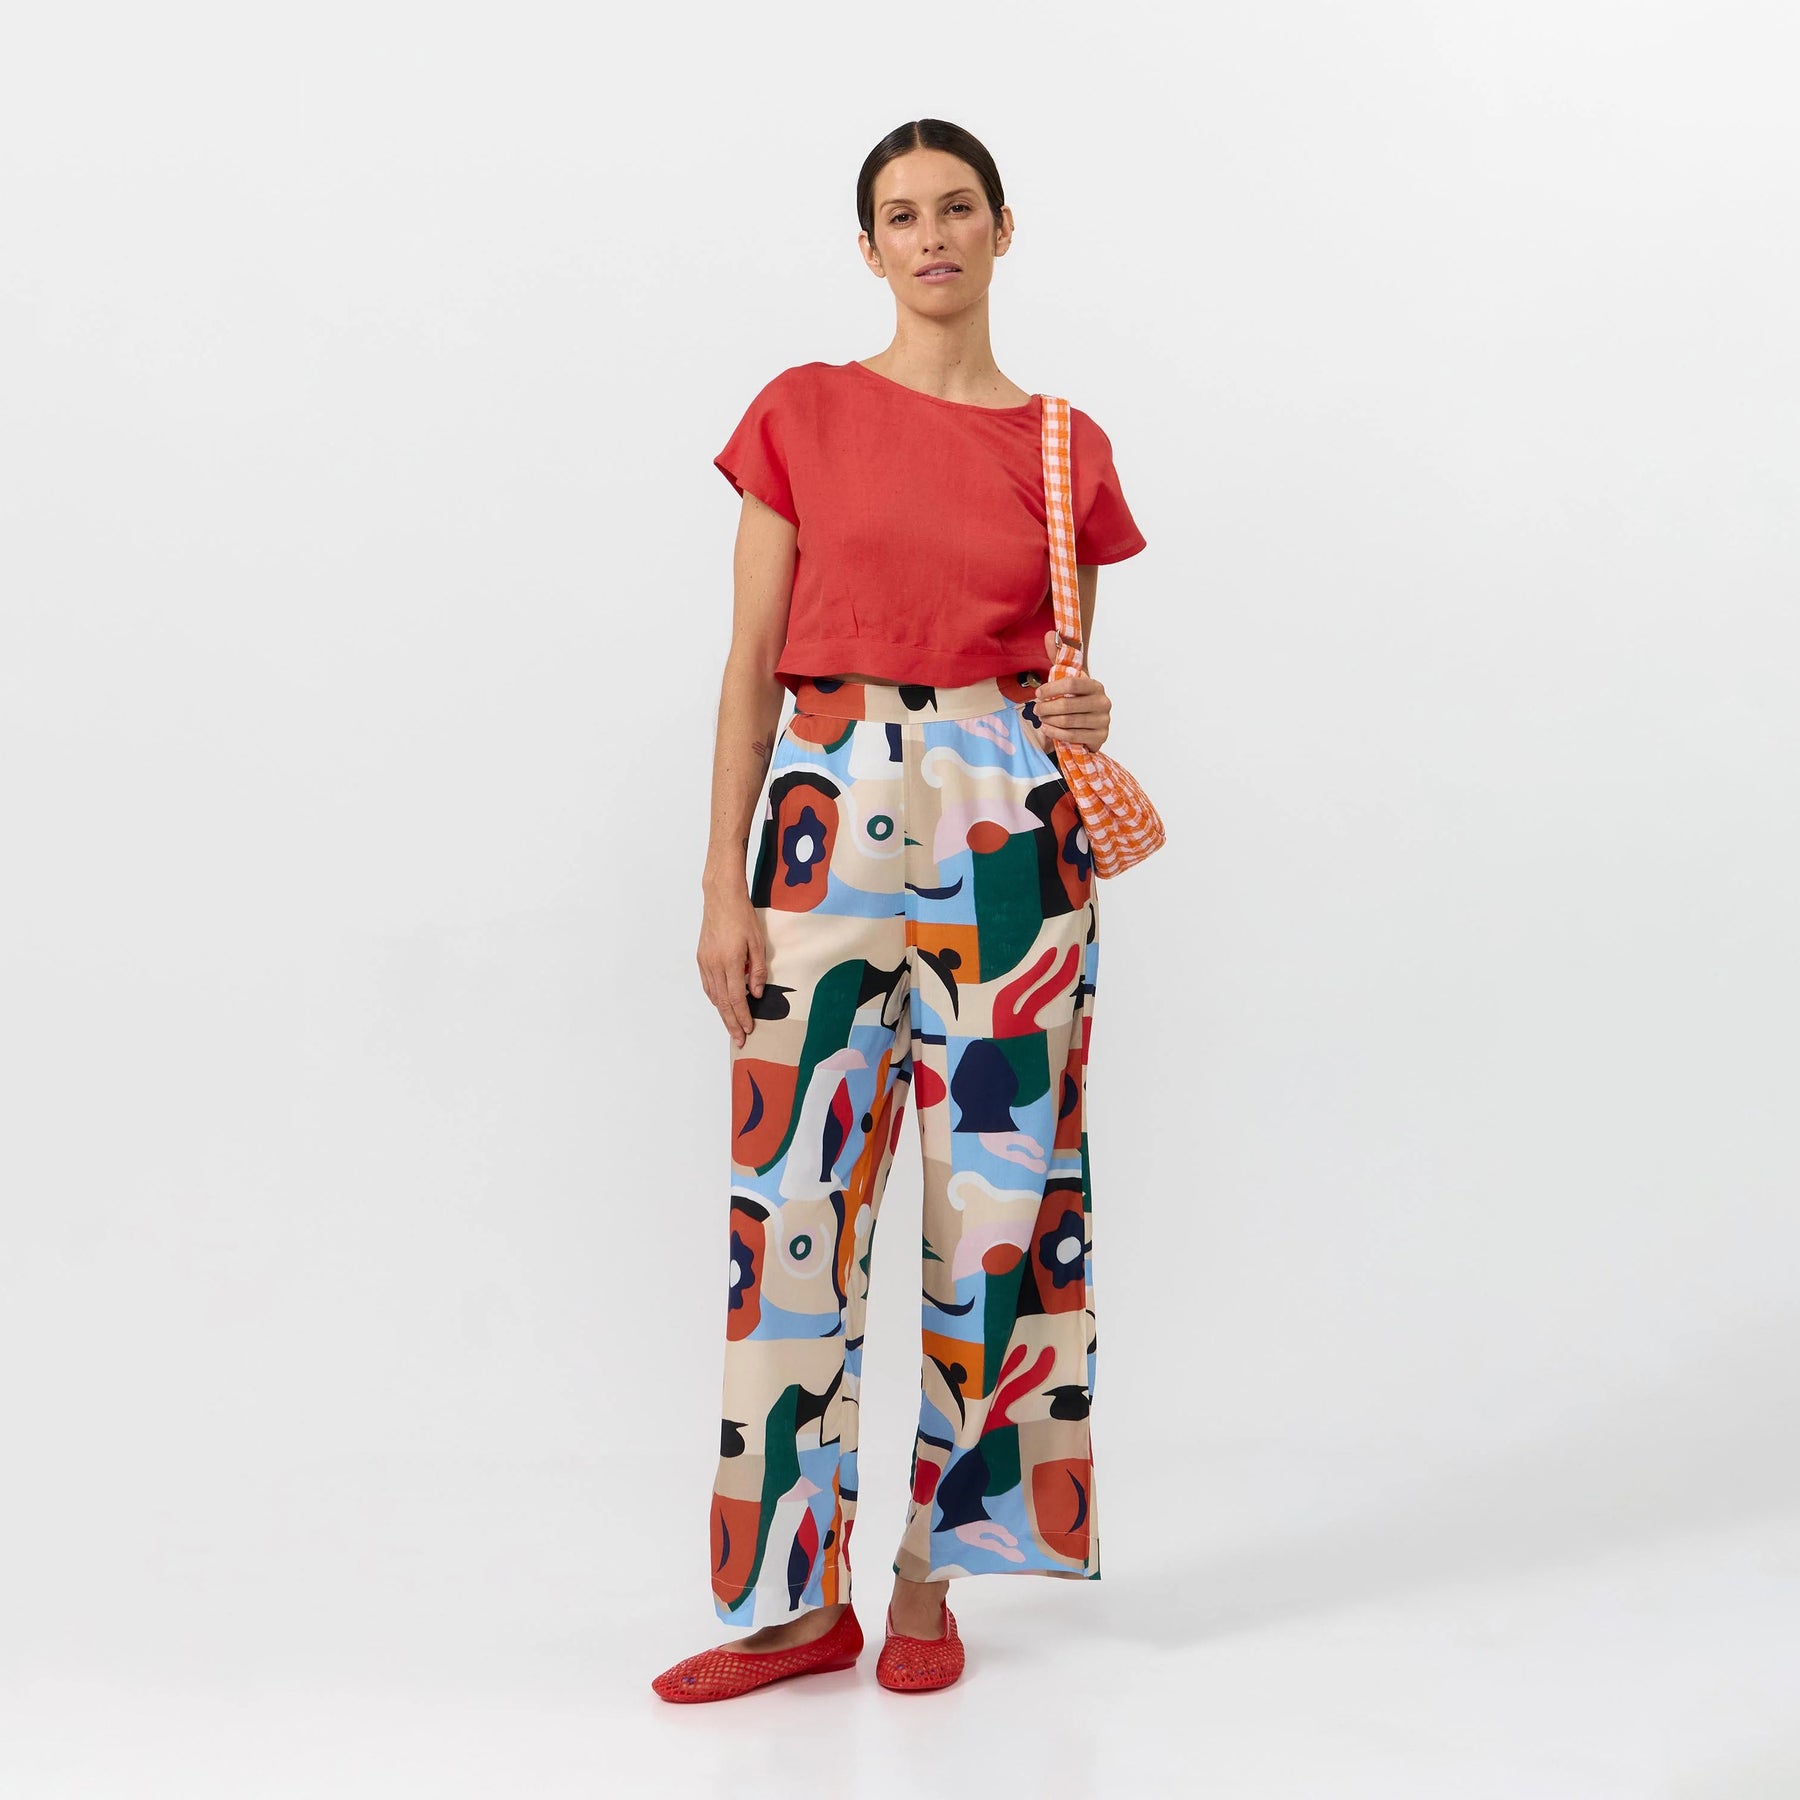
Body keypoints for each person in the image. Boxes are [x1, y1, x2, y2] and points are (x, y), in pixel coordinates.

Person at [652, 117, 1148, 1703]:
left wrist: (1083, 709)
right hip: (825, 812)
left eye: (956, 208)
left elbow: (1063, 678)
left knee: (996, 1206)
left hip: (1008, 822)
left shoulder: (1065, 447)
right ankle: (792, 1606)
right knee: (790, 1200)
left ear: (1004, 227)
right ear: (868, 248)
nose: (931, 235)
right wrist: (724, 882)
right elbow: (750, 667)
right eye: (900, 214)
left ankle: (934, 1569)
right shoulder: (801, 414)